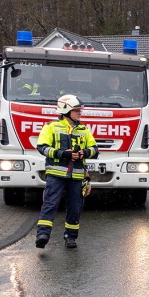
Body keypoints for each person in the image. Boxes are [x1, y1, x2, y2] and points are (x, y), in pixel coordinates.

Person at [35, 94, 98, 249]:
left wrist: (84, 153)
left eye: (79, 111)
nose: (79, 113)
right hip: (56, 175)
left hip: (76, 175)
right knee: (50, 203)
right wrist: (63, 154)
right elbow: (42, 147)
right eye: (76, 110)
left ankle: (70, 237)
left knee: (75, 207)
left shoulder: (84, 129)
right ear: (65, 110)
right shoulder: (50, 126)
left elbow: (95, 149)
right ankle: (42, 235)